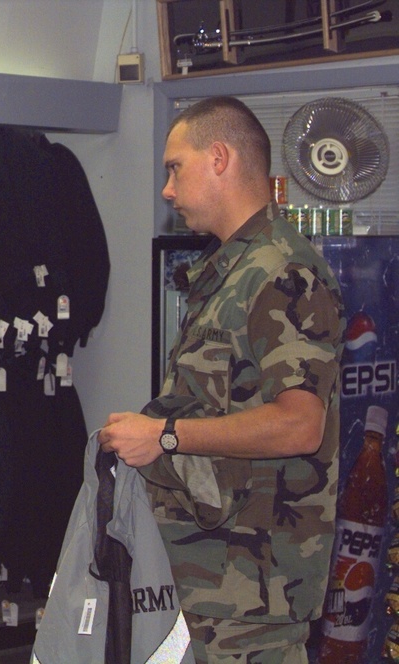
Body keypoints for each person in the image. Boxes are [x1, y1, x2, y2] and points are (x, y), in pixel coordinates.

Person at [98, 96, 345, 662]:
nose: (166, 189)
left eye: (173, 168)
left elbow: (300, 425)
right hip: (203, 583)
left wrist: (164, 436)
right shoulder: (233, 269)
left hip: (254, 597)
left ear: (218, 158)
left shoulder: (284, 271)